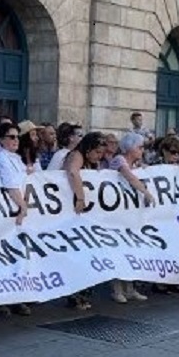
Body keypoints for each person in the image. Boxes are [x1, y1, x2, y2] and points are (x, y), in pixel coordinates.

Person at [106, 132, 155, 303]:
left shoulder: (137, 163)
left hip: (131, 214)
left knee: (131, 250)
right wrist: (146, 192)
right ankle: (117, 289)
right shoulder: (119, 160)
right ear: (130, 148)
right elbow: (130, 178)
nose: (142, 151)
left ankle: (130, 288)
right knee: (119, 251)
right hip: (117, 214)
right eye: (139, 147)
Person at [64, 132, 111, 310]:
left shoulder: (91, 161)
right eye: (97, 152)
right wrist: (80, 198)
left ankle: (84, 294)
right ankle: (76, 296)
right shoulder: (77, 155)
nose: (99, 156)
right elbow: (73, 173)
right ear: (89, 148)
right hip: (74, 209)